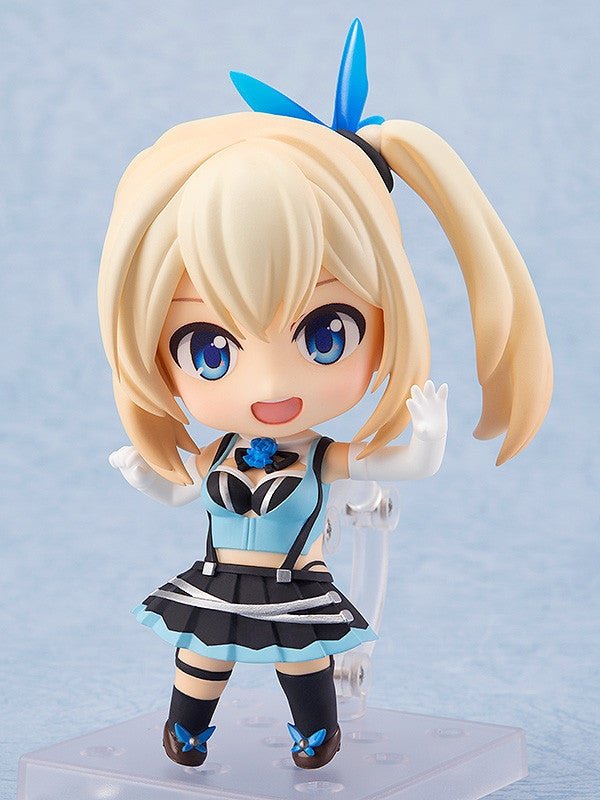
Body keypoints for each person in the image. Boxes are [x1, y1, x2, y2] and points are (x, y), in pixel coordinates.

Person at [98, 20, 552, 770]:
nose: (272, 386)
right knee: (201, 655)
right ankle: (188, 730)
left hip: (292, 585)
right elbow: (182, 494)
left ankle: (316, 731)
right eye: (211, 350)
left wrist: (428, 437)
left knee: (302, 657)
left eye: (324, 336)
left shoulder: (319, 456)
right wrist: (144, 475)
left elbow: (399, 468)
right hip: (218, 580)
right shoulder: (219, 451)